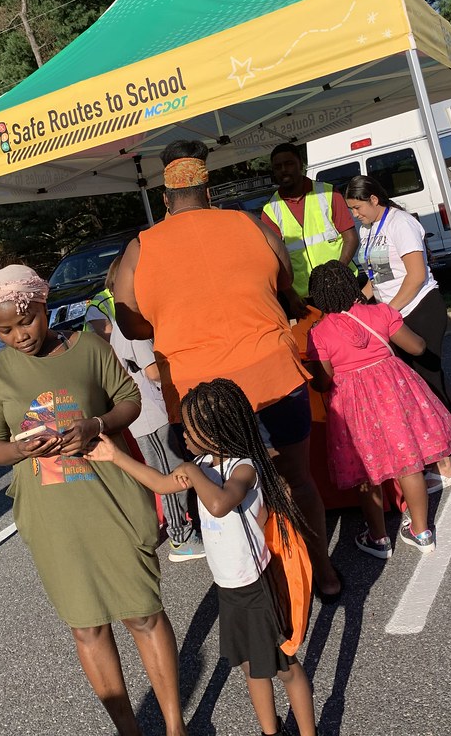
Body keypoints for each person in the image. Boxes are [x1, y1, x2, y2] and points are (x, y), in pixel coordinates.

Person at [114, 139, 343, 602]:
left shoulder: (141, 248)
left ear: (165, 197)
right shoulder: (250, 224)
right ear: (208, 188)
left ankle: (261, 587)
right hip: (273, 378)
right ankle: (323, 573)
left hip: (201, 398)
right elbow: (284, 283)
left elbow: (130, 322)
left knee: (223, 491)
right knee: (296, 478)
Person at [0, 265, 187, 736]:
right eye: (5, 329)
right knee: (87, 627)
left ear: (43, 307)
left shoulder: (89, 347)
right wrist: (19, 449)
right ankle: (128, 729)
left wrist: (94, 425)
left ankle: (175, 725)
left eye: (26, 322)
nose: (19, 336)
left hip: (112, 499)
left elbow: (129, 399)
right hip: (54, 518)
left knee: (144, 614)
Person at [87, 378, 318, 736]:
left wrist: (194, 472)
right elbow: (162, 484)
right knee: (249, 666)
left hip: (258, 587)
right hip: (229, 589)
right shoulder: (202, 463)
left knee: (285, 665)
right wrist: (116, 457)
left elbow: (220, 504)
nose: (186, 438)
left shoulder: (245, 468)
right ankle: (271, 731)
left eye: (193, 432)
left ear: (218, 430)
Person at [305, 261, 451, 555]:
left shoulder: (319, 333)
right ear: (353, 287)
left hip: (352, 406)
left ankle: (378, 538)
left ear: (318, 299)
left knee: (365, 471)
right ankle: (421, 531)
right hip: (394, 392)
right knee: (409, 462)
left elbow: (323, 382)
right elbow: (416, 347)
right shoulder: (380, 312)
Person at [344, 174, 451, 488]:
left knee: (429, 381)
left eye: (358, 207)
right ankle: (449, 448)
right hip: (395, 315)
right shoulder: (369, 228)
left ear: (374, 199)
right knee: (415, 386)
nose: (355, 214)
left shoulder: (401, 223)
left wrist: (386, 312)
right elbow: (380, 276)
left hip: (420, 309)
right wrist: (359, 303)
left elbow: (415, 276)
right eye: (352, 209)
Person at [99, 254, 205, 562]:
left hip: (151, 412)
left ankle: (185, 530)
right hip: (150, 414)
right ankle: (180, 539)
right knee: (170, 473)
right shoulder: (133, 327)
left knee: (173, 470)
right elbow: (153, 372)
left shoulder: (124, 324)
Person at [261, 142, 359, 320]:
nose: (284, 170)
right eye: (278, 167)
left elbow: (350, 238)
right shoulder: (270, 209)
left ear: (301, 164)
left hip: (343, 288)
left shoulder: (329, 193)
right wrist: (290, 296)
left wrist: (337, 273)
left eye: (289, 164)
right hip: (305, 300)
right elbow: (272, 260)